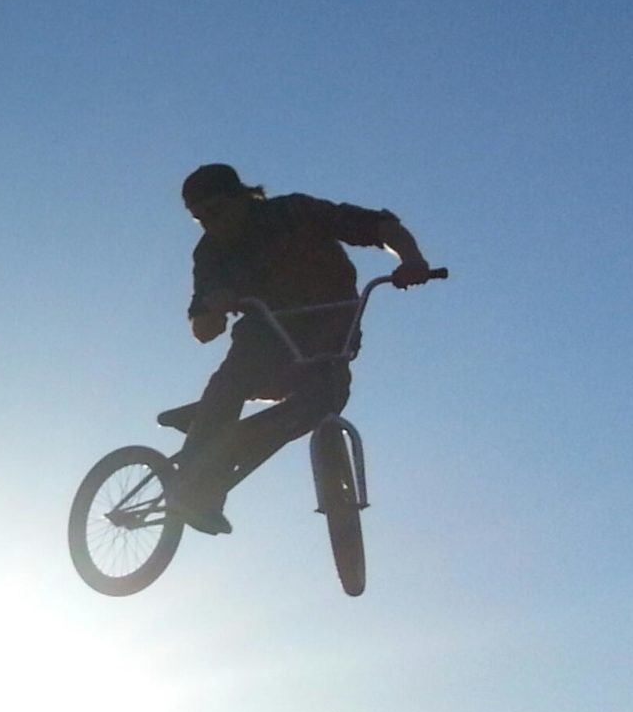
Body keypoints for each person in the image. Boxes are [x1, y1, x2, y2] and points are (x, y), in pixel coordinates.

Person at [166, 163, 436, 535]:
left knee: (327, 399)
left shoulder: (293, 212)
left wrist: (412, 259)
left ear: (242, 197)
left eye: (217, 211)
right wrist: (214, 308)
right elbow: (203, 330)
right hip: (266, 339)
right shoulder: (211, 253)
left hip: (329, 332)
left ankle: (215, 428)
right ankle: (195, 487)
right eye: (200, 219)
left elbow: (375, 226)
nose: (212, 224)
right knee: (236, 376)